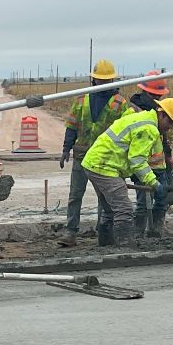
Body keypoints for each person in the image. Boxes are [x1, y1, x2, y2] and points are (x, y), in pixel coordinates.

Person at [81, 97, 173, 246]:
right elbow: (137, 161)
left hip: (95, 163)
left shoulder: (142, 118)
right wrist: (154, 183)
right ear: (161, 114)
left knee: (110, 209)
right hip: (105, 167)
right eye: (170, 122)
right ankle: (125, 246)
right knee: (124, 209)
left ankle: (106, 244)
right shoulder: (148, 128)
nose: (170, 127)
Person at [59, 60, 121, 239]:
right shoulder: (81, 99)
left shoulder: (119, 103)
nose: (102, 84)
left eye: (106, 80)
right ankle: (71, 231)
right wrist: (66, 149)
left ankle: (103, 230)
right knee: (75, 195)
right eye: (99, 80)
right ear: (93, 80)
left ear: (112, 81)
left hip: (105, 160)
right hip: (82, 156)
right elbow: (72, 125)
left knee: (105, 198)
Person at [129, 75, 173, 240]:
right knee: (142, 203)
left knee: (161, 199)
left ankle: (155, 232)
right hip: (141, 165)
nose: (157, 99)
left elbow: (163, 136)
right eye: (155, 96)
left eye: (159, 96)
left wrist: (168, 155)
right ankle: (138, 233)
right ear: (145, 92)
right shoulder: (134, 110)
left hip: (159, 164)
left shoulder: (159, 111)